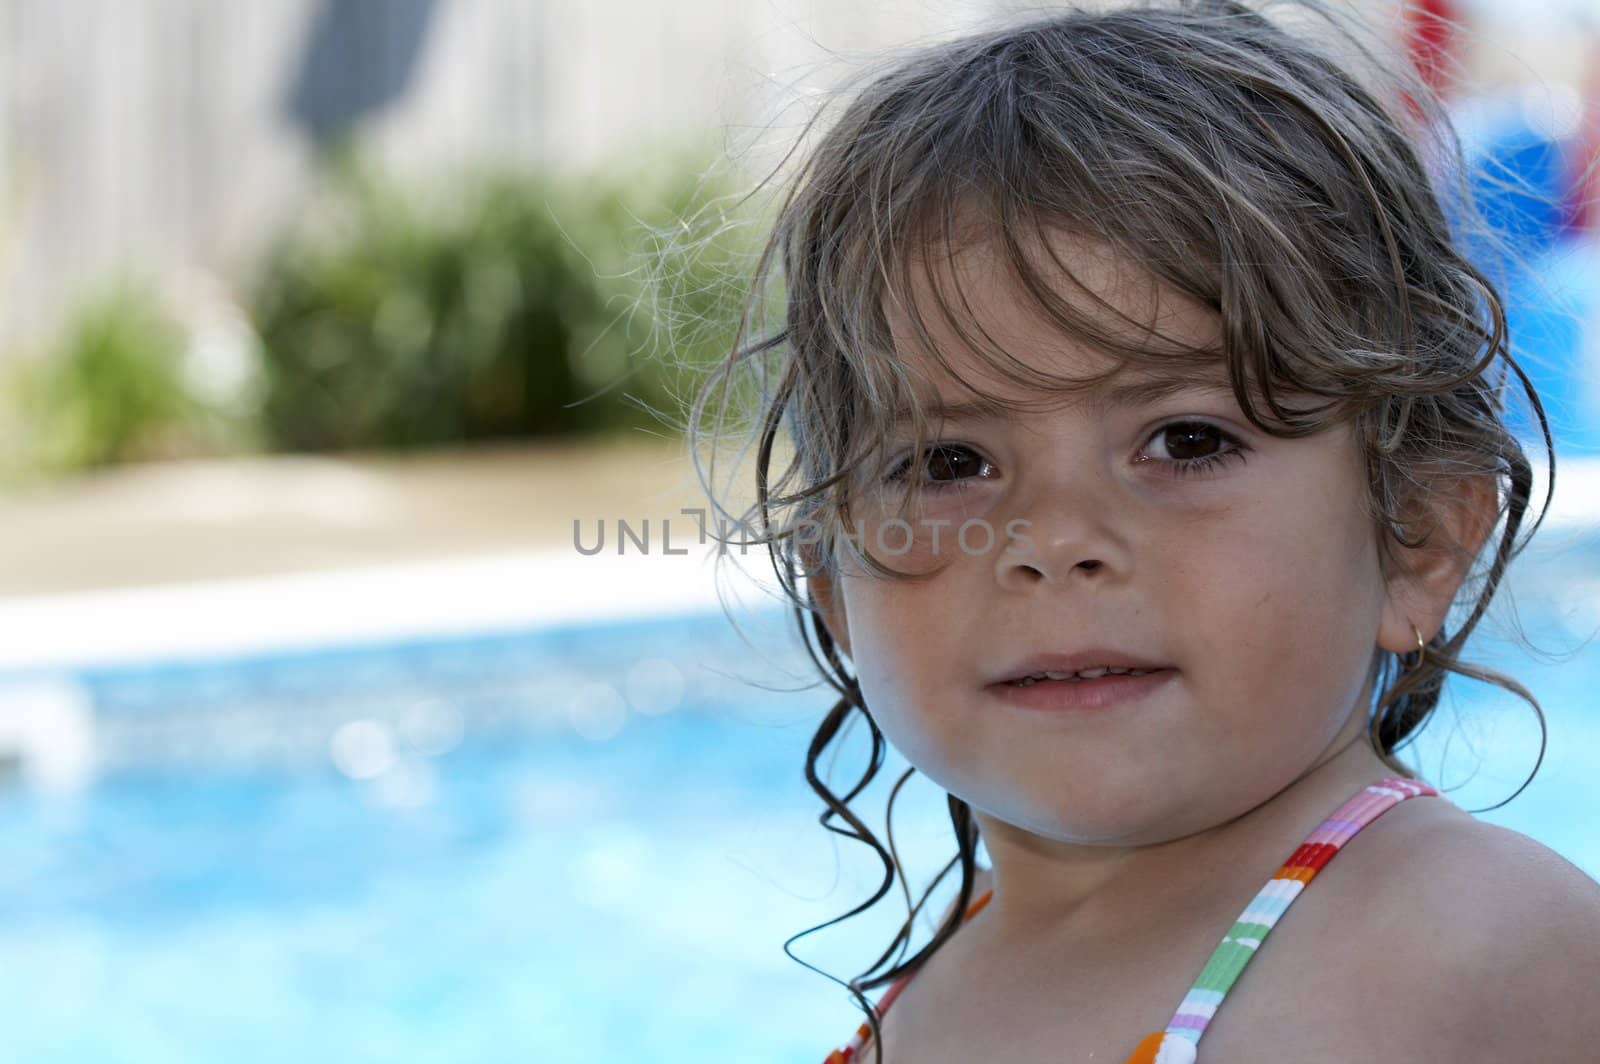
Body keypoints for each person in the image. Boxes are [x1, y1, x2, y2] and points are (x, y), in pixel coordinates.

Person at [685, 1, 1600, 1060]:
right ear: (835, 588)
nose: (1052, 537)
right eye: (950, 462)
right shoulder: (935, 979)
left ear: (1415, 537)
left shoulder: (1464, 939)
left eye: (1183, 440)